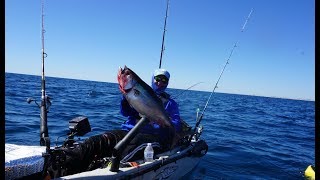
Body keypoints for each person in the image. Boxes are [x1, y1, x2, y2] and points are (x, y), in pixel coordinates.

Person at [46, 68, 182, 178]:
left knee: (122, 152)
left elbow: (176, 123)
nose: (160, 82)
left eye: (164, 80)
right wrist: (125, 98)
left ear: (167, 83)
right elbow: (125, 113)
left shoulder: (170, 103)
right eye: (158, 79)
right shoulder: (140, 92)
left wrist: (160, 123)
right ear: (153, 79)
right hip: (128, 131)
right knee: (98, 141)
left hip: (147, 138)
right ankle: (55, 168)